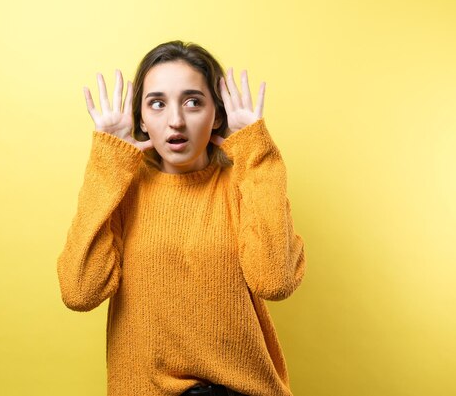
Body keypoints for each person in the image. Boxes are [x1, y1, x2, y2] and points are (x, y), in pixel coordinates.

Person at [57, 40, 306, 396]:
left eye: (193, 102)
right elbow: (80, 291)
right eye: (157, 103)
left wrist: (256, 153)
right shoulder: (123, 190)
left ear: (216, 114)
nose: (175, 120)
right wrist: (108, 163)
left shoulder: (243, 185)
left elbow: (275, 281)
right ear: (139, 117)